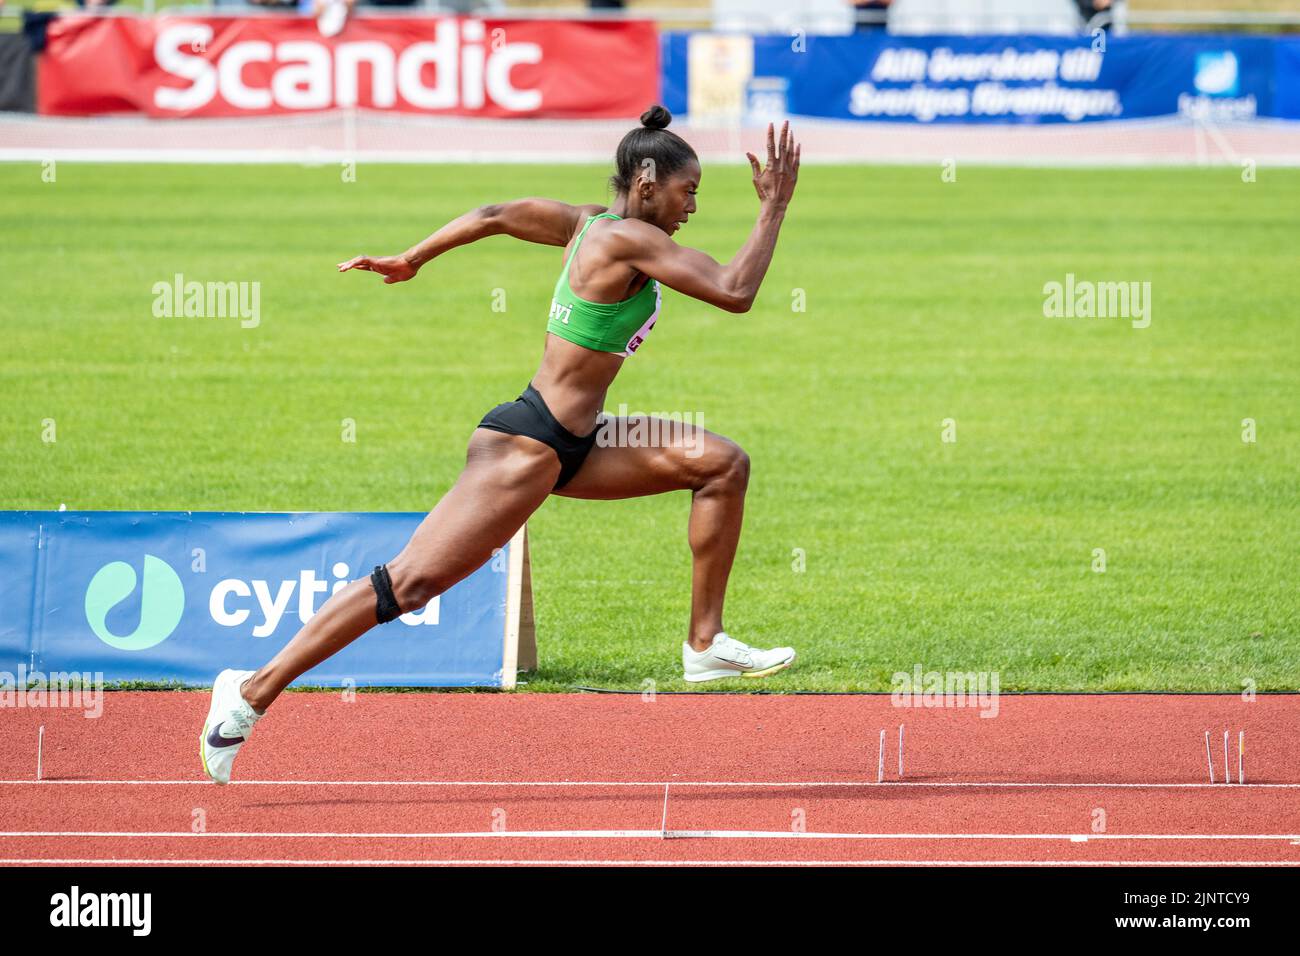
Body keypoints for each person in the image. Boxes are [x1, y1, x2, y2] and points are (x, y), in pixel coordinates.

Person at [200, 106, 801, 784]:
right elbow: (735, 289)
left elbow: (491, 213)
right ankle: (248, 693)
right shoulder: (626, 240)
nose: (693, 206)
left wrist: (414, 257)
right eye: (689, 190)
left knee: (721, 464)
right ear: (647, 180)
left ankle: (705, 643)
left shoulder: (586, 224)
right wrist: (774, 208)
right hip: (528, 443)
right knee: (409, 583)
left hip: (581, 441)